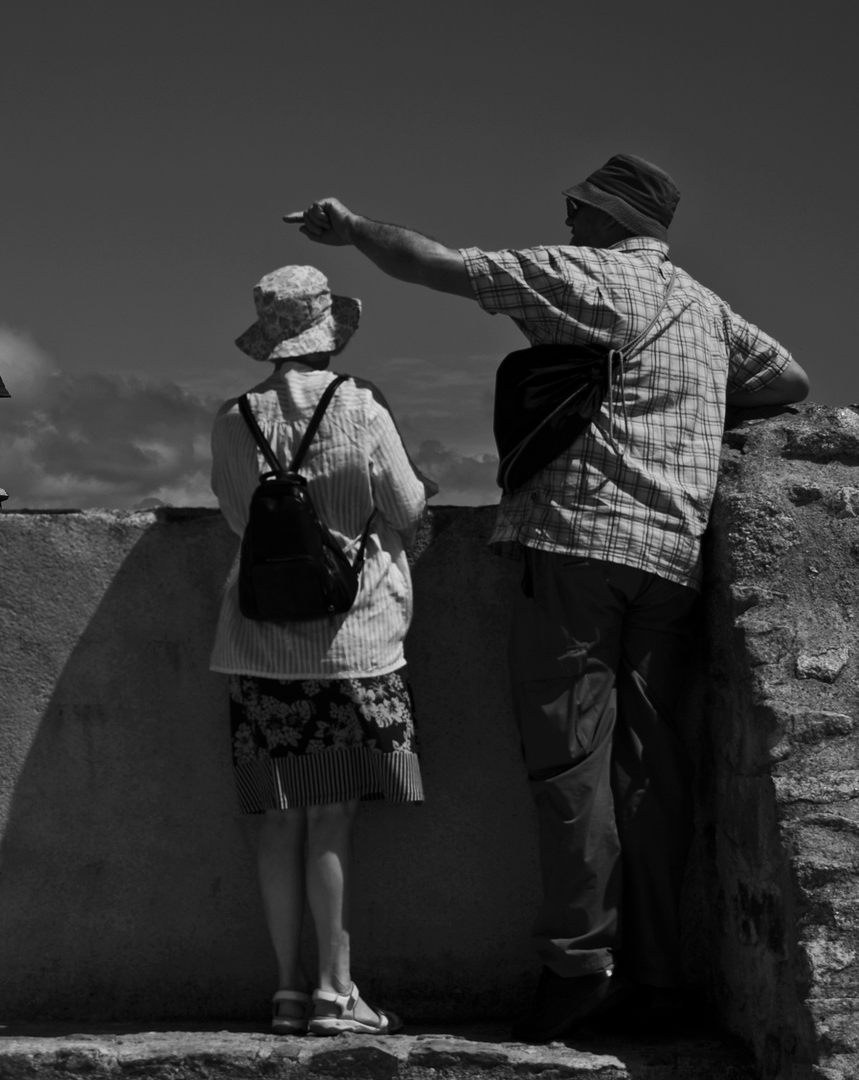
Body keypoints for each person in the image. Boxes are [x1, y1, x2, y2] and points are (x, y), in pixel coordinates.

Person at [285, 154, 809, 1042]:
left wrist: (352, 228)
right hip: (671, 556)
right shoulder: (705, 309)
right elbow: (788, 382)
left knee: (570, 764)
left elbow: (437, 265)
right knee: (654, 769)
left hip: (576, 545)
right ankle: (661, 978)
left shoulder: (587, 278)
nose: (563, 217)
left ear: (609, 216)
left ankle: (580, 970)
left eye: (576, 205)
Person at [210, 264, 429, 1037]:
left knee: (275, 819)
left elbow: (240, 519)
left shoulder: (231, 417)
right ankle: (338, 995)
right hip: (349, 641)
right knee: (329, 818)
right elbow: (404, 505)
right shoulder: (360, 409)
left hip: (258, 645)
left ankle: (287, 991)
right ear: (328, 333)